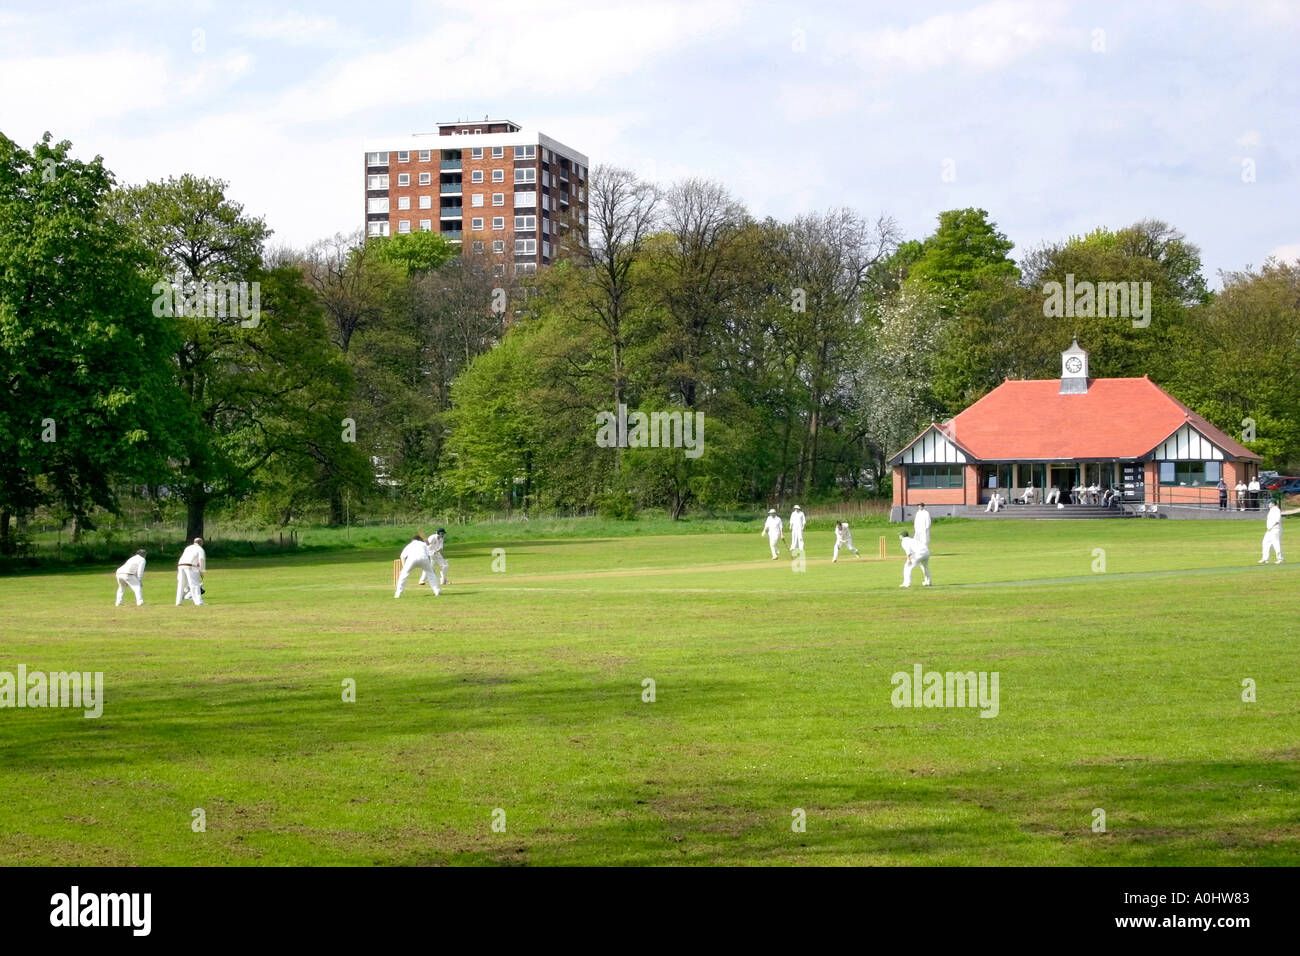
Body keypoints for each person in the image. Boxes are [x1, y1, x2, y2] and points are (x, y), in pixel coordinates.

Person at [395, 533, 439, 597]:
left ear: (413, 540)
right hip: (424, 558)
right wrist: (429, 566)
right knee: (431, 574)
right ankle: (437, 591)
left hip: (411, 559)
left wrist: (404, 568)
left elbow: (402, 556)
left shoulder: (409, 545)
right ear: (419, 540)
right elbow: (428, 555)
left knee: (403, 576)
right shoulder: (423, 544)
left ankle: (398, 594)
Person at [175, 537, 206, 606]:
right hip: (190, 566)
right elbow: (201, 560)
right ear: (201, 543)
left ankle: (178, 602)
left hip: (180, 565)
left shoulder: (188, 547)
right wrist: (202, 571)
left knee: (181, 584)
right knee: (194, 584)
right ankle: (199, 602)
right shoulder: (200, 549)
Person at [1260, 500, 1284, 565]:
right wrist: (1269, 528)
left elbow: (1277, 520)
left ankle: (1280, 559)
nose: (1268, 504)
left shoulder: (1276, 510)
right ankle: (1265, 558)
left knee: (1276, 543)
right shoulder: (1271, 510)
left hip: (1275, 529)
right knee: (1265, 542)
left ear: (1273, 503)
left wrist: (1271, 526)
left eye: (1269, 503)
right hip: (1269, 530)